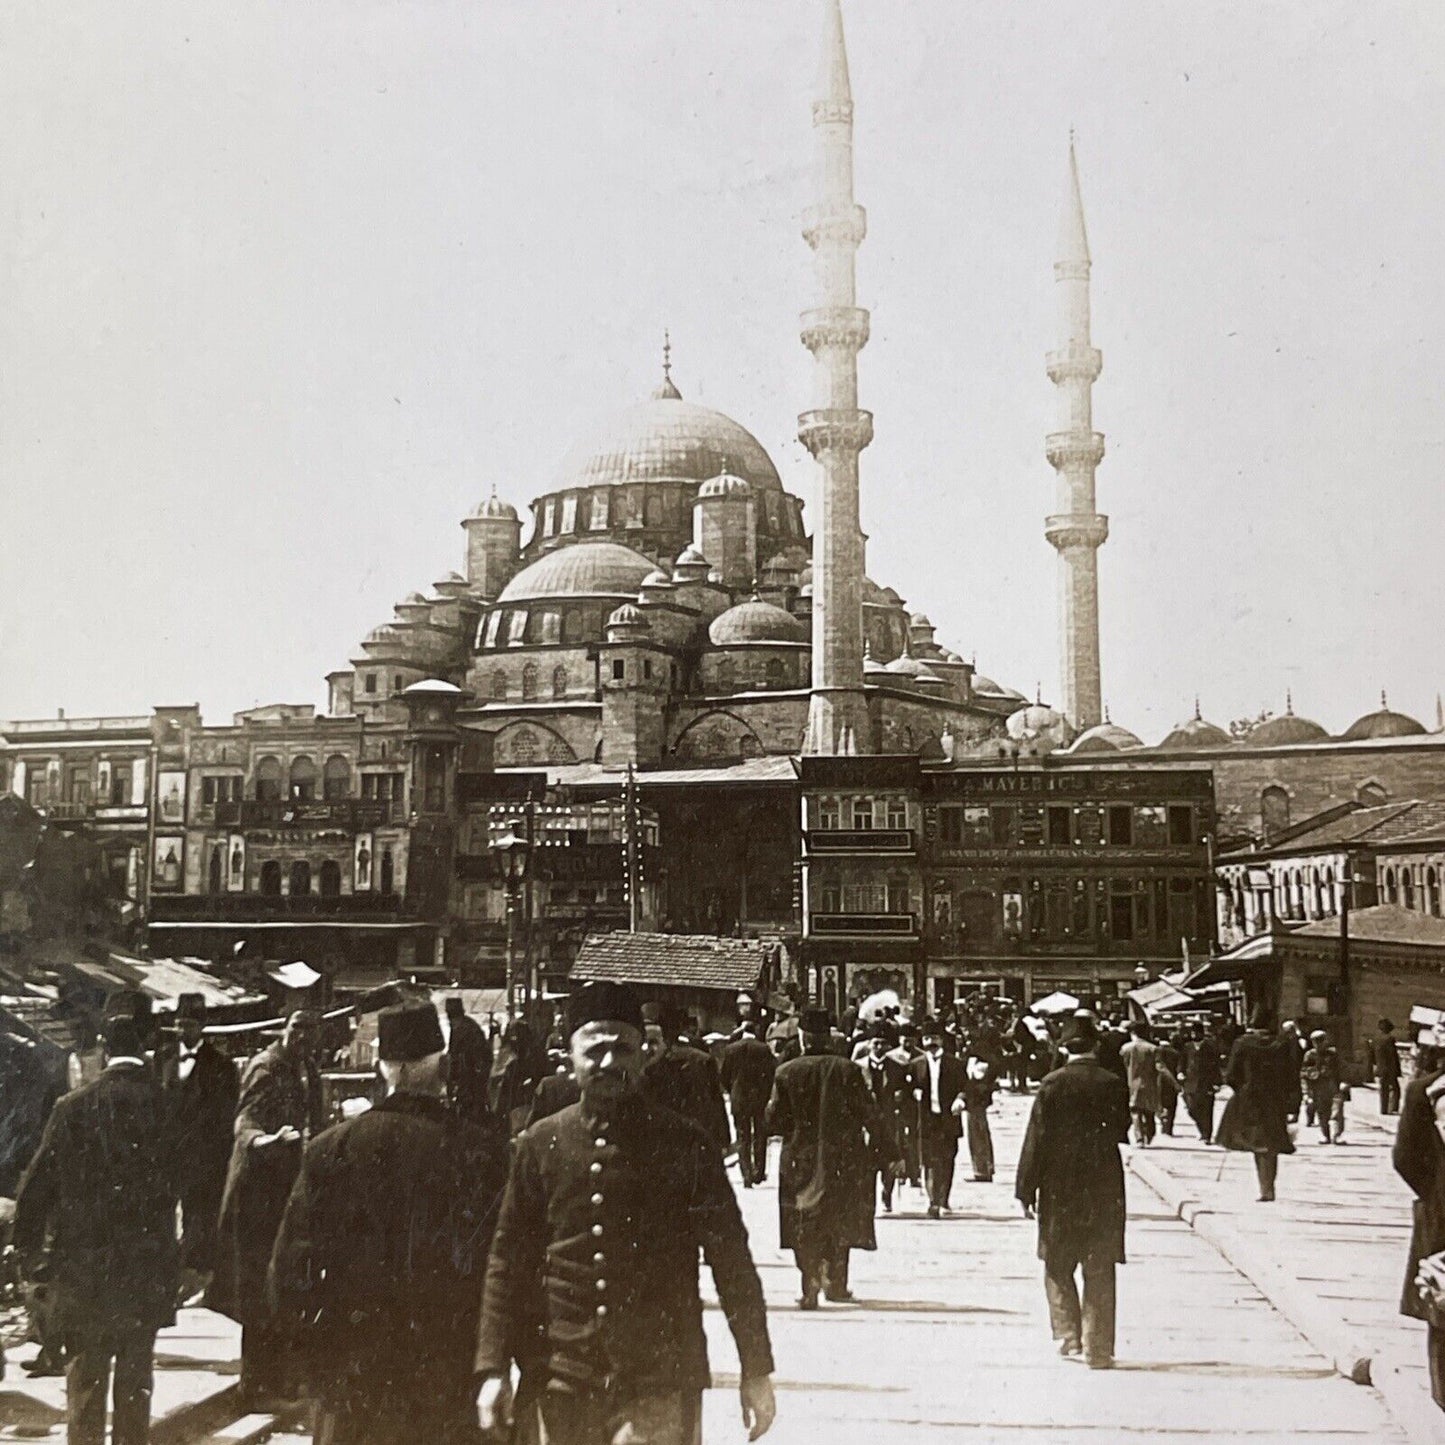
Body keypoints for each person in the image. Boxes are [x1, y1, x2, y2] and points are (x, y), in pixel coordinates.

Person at [476, 982, 776, 1445]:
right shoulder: (540, 1144)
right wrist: (493, 1367)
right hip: (562, 1376)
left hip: (660, 1377)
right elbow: (506, 1260)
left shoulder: (685, 1143)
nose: (609, 1062)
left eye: (623, 1048)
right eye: (595, 1051)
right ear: (569, 1055)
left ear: (644, 1055)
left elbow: (731, 1260)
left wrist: (755, 1369)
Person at [270, 1001, 509, 1444]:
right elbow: (499, 1268)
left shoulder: (329, 1149)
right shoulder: (481, 1151)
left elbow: (289, 1272)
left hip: (353, 1380)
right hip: (447, 1378)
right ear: (446, 1068)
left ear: (381, 1068)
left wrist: (318, 1360)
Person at [13, 1015, 180, 1445]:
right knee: (134, 1389)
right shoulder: (166, 1106)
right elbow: (190, 1188)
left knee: (85, 1389)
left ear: (104, 1052)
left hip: (83, 1276)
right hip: (145, 1275)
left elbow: (34, 1191)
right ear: (144, 1050)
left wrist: (31, 1259)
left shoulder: (71, 1108)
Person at [210, 1007, 325, 1406]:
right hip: (256, 1195)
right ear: (284, 1029)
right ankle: (255, 1385)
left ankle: (279, 1379)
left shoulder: (305, 1068)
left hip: (285, 1191)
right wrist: (264, 1140)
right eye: (297, 1029)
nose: (302, 1037)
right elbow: (245, 1121)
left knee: (284, 1286)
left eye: (309, 1031)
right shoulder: (267, 1067)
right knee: (258, 1288)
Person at [1015, 1015, 1130, 1370]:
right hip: (1102, 1183)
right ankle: (1098, 1348)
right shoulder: (1112, 1083)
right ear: (1096, 1045)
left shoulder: (1051, 1084)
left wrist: (1025, 1188)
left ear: (1064, 1048)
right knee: (1099, 1265)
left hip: (1058, 1185)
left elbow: (1036, 1139)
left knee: (1057, 1262)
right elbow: (1122, 1128)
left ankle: (1069, 1335)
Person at [766, 1008, 893, 1307]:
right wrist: (890, 1153)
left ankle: (808, 1283)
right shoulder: (848, 1070)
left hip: (799, 1157)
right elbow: (871, 1115)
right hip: (844, 1157)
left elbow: (773, 1121)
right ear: (829, 1037)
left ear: (804, 1037)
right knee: (839, 1218)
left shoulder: (787, 1071)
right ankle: (837, 1284)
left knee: (802, 1218)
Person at [157, 994, 239, 1287]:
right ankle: (167, 1267)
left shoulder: (222, 1066)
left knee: (198, 1214)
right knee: (163, 1212)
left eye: (190, 1025)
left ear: (203, 1026)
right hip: (167, 1155)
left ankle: (194, 1272)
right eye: (179, 1025)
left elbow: (226, 1118)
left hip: (203, 1159)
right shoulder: (161, 1059)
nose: (183, 1032)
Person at [1392, 1025, 1445, 1412]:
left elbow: (1405, 1159)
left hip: (1441, 1216)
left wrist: (1435, 1193)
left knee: (1441, 1306)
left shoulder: (1424, 1091)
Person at [1216, 1006, 1299, 1202]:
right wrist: (1292, 1104)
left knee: (1257, 1141)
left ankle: (1264, 1187)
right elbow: (1291, 1075)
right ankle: (1268, 1186)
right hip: (1275, 1099)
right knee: (1270, 1142)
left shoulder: (1243, 1043)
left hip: (1249, 1099)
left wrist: (1241, 1090)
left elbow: (1231, 1075)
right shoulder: (1282, 1044)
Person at [641, 1001, 731, 1152]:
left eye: (653, 1042)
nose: (647, 1049)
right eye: (642, 1042)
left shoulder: (699, 1062)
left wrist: (722, 1139)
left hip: (691, 1142)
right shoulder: (634, 1069)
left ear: (665, 1041)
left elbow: (715, 1101)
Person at [907, 1021, 967, 1219]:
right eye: (926, 1039)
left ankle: (944, 1199)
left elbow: (966, 1088)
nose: (930, 1042)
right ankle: (933, 1201)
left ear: (941, 1040)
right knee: (928, 1160)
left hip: (948, 1118)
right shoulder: (915, 1065)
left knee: (947, 1159)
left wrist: (960, 1099)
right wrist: (913, 1092)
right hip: (926, 1120)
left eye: (934, 1038)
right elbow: (907, 1089)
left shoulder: (955, 1064)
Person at [857, 1021, 908, 1211]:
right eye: (875, 1043)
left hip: (889, 1123)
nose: (879, 1047)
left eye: (883, 1044)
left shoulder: (897, 1068)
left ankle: (887, 1194)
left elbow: (904, 1094)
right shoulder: (858, 1068)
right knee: (867, 1164)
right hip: (866, 1125)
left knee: (890, 1162)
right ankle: (868, 1200)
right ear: (869, 1043)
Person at [721, 1019, 778, 1188]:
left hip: (739, 1098)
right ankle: (758, 1172)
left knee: (742, 1135)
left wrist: (732, 1090)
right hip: (759, 1097)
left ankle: (746, 1174)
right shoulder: (764, 1049)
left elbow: (724, 1075)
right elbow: (771, 1073)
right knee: (760, 1134)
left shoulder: (731, 1049)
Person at [443, 995, 492, 1124]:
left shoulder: (465, 1029)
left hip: (470, 1081)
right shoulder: (465, 1026)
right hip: (469, 1080)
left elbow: (458, 1057)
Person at [1119, 1021, 1169, 1147]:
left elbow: (1122, 1066)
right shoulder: (1153, 1049)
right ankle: (1149, 1134)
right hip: (1150, 1083)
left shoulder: (1125, 1048)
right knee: (1149, 1111)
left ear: (1132, 1033)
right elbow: (1159, 1067)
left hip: (1132, 1084)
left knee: (1135, 1112)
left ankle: (1139, 1138)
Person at [1181, 1022, 1222, 1145]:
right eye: (1192, 1032)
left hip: (1206, 1083)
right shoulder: (1187, 1047)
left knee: (1207, 1110)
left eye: (1196, 1032)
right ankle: (1201, 1128)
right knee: (1191, 1108)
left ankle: (1206, 1135)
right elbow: (1182, 1062)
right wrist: (1180, 1072)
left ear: (1202, 1033)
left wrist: (1217, 1082)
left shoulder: (1210, 1047)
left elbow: (1216, 1066)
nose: (1194, 1035)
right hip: (1190, 1083)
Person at [1301, 1030, 1344, 1145]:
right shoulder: (1310, 1055)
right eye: (1315, 1041)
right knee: (1322, 1112)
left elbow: (1342, 1069)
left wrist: (1345, 1082)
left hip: (1333, 1086)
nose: (1318, 1044)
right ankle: (1325, 1135)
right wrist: (1306, 1090)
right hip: (1318, 1087)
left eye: (1321, 1040)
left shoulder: (1333, 1054)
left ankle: (1337, 1135)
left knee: (1336, 1111)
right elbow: (1304, 1072)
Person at [961, 1051, 996, 1184]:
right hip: (975, 1104)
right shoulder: (976, 1060)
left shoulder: (980, 1063)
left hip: (976, 1105)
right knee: (979, 1135)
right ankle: (984, 1168)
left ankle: (982, 1170)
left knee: (977, 1136)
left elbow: (979, 1085)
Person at [1156, 1030, 1182, 1137]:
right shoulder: (1175, 1053)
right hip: (1171, 1083)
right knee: (1171, 1105)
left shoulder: (1155, 1051)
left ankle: (1162, 1121)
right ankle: (1169, 1128)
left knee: (1159, 1103)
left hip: (1158, 1081)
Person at [1375, 1019, 1403, 1116]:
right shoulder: (1389, 1039)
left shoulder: (1377, 1039)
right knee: (1396, 1089)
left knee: (1383, 1089)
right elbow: (1392, 1056)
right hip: (1389, 1068)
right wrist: (1396, 1069)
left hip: (1381, 1067)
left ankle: (1383, 1109)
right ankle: (1394, 1108)